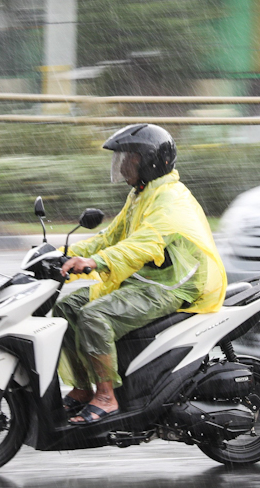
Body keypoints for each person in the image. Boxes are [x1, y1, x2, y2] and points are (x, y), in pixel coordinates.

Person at [55, 124, 227, 424]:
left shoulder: (170, 200)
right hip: (149, 279)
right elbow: (112, 236)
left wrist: (96, 262)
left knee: (94, 316)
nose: (122, 165)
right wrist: (63, 255)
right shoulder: (142, 194)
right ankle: (83, 388)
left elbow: (143, 244)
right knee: (66, 307)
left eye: (129, 158)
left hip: (175, 283)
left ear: (149, 161)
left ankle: (107, 398)